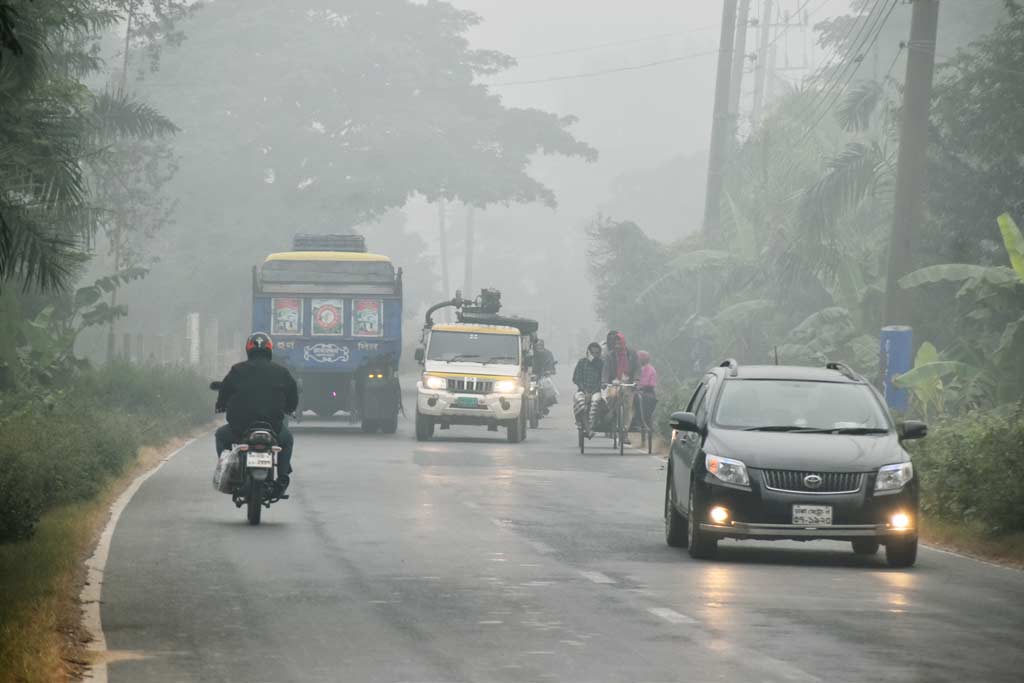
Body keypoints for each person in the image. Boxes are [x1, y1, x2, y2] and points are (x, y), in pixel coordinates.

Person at [215, 332, 299, 493]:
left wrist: (220, 405)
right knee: (287, 441)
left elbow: (224, 390)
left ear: (248, 349)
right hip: (272, 428)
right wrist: (290, 408)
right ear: (269, 350)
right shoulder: (281, 372)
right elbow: (292, 393)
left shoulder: (237, 370)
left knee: (220, 436)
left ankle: (229, 471)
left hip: (240, 428)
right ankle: (282, 478)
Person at [602, 331, 640, 443]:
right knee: (611, 398)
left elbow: (638, 369)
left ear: (623, 343)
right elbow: (606, 370)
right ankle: (612, 414)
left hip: (628, 383)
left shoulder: (632, 354)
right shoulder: (610, 355)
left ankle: (625, 433)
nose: (617, 346)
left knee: (628, 406)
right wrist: (604, 381)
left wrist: (637, 380)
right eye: (615, 344)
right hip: (614, 382)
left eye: (619, 344)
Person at [572, 342, 603, 437]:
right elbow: (576, 378)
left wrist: (592, 392)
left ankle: (592, 426)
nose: (594, 355)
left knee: (595, 402)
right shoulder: (582, 363)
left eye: (597, 353)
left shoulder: (602, 364)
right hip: (583, 391)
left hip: (597, 391)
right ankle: (587, 429)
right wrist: (585, 391)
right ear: (588, 353)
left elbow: (602, 381)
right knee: (581, 404)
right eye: (592, 352)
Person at [632, 350, 658, 431]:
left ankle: (639, 422)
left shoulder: (650, 369)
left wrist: (640, 388)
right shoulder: (636, 368)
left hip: (647, 392)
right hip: (635, 390)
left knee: (640, 399)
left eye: (639, 359)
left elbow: (651, 384)